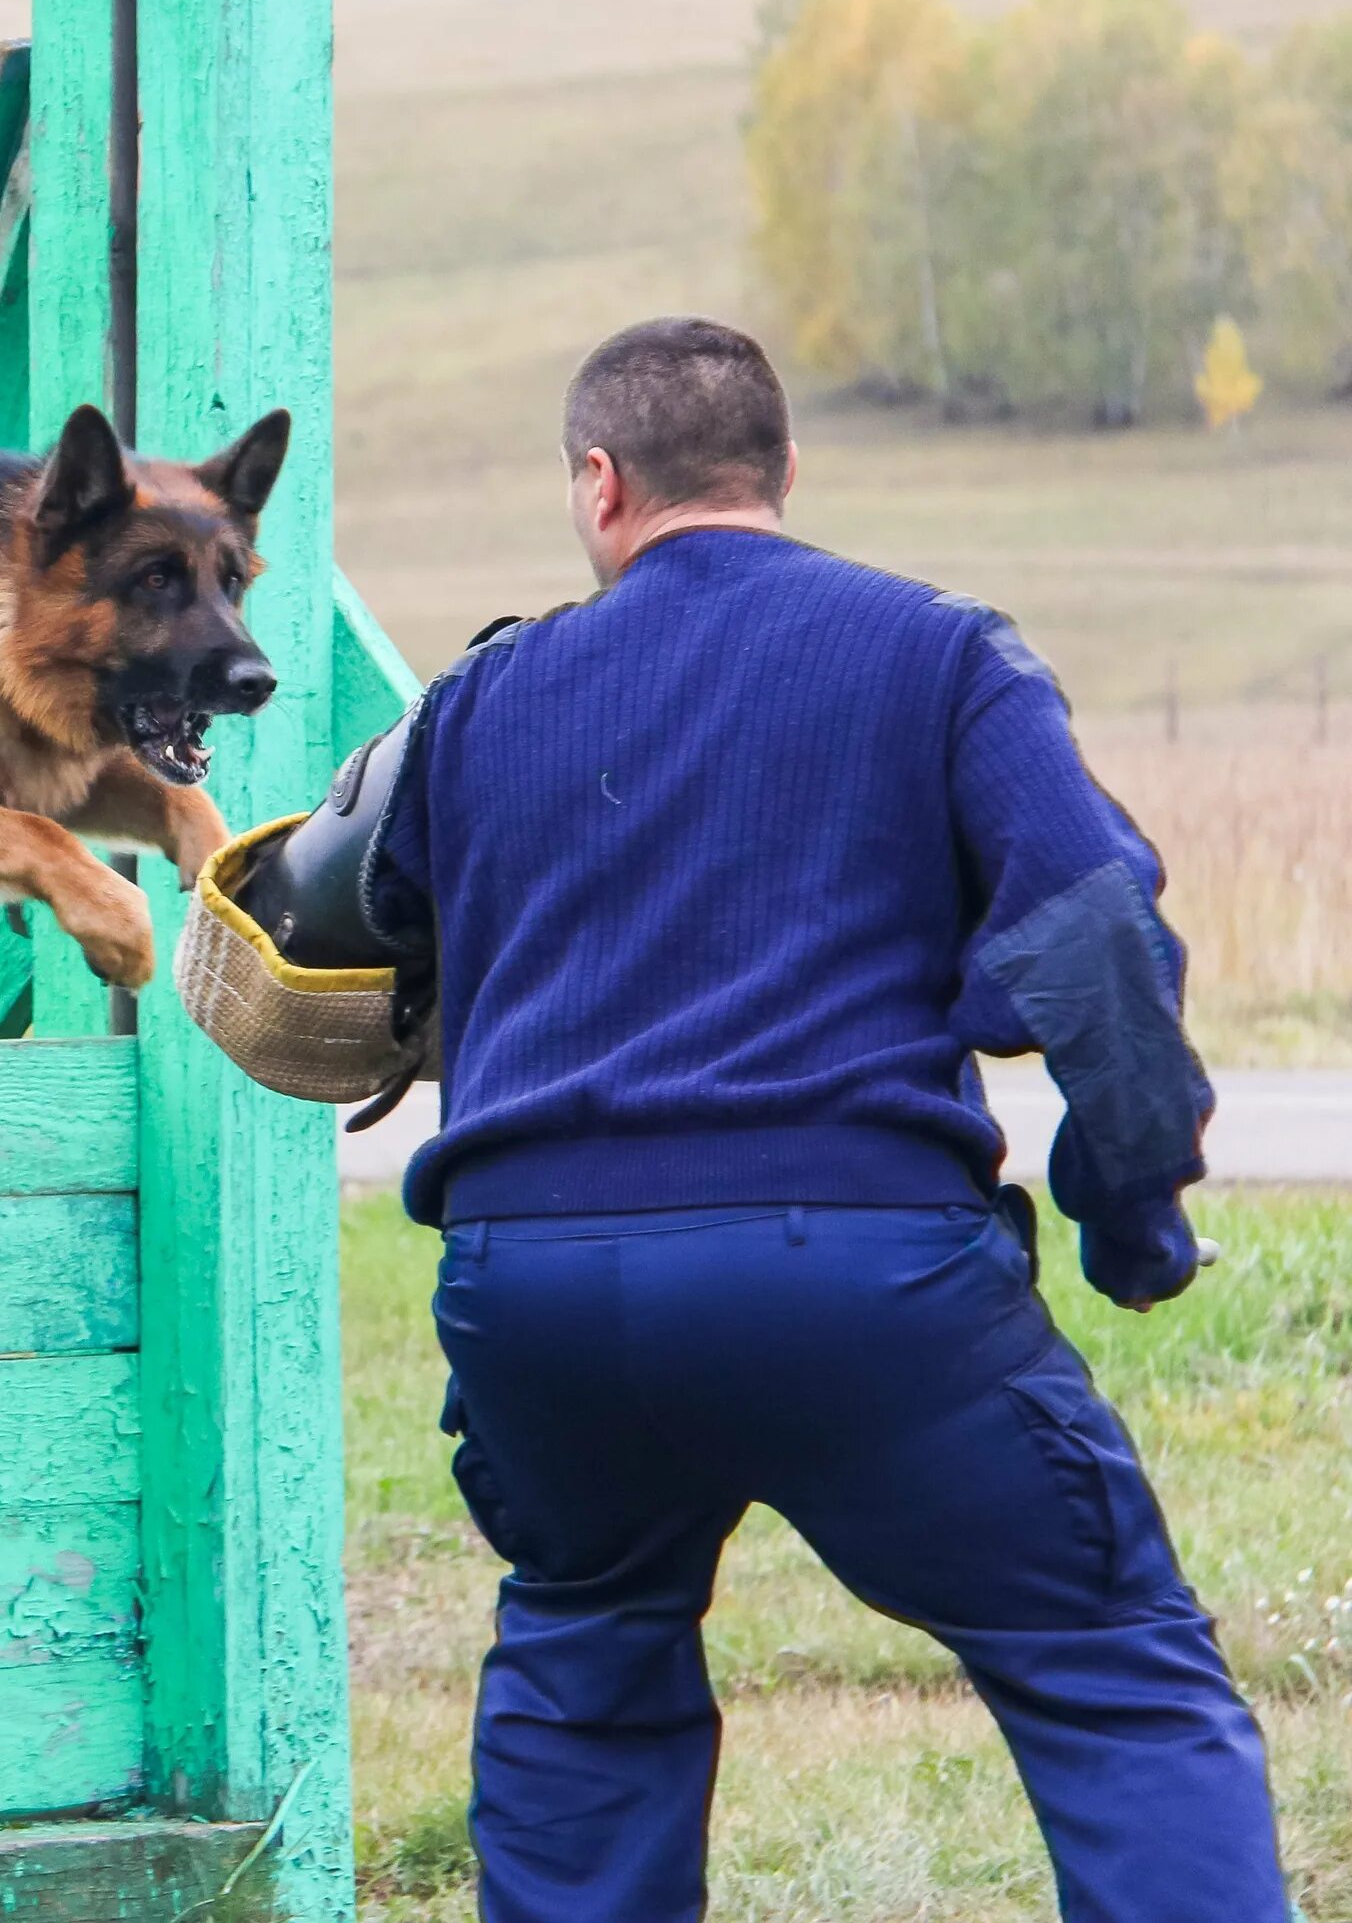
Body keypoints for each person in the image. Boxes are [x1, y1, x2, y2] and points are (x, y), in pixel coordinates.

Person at [359, 316, 1287, 1920]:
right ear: (785, 470)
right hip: (855, 1275)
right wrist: (1129, 1211)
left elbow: (366, 954)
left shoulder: (476, 702)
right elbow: (1091, 939)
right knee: (1111, 1666)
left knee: (586, 1647)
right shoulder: (936, 654)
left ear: (601, 484)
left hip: (538, 1296)